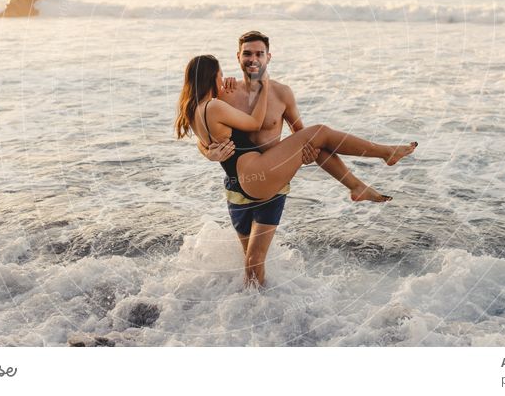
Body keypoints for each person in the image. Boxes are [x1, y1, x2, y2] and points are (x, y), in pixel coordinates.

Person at [175, 50, 418, 288]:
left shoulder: (194, 111)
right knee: (320, 131)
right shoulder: (214, 106)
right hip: (256, 175)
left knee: (252, 261)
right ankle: (385, 153)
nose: (223, 79)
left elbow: (205, 142)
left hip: (239, 182)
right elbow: (255, 123)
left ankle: (248, 308)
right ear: (211, 77)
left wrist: (208, 152)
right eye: (220, 75)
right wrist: (265, 86)